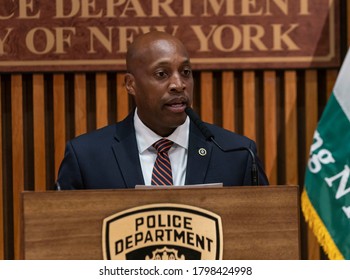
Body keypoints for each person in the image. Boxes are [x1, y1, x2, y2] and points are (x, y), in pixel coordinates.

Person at [56, 31, 269, 190]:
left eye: (185, 72)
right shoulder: (86, 158)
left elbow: (265, 237)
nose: (179, 84)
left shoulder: (237, 155)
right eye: (161, 74)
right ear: (131, 84)